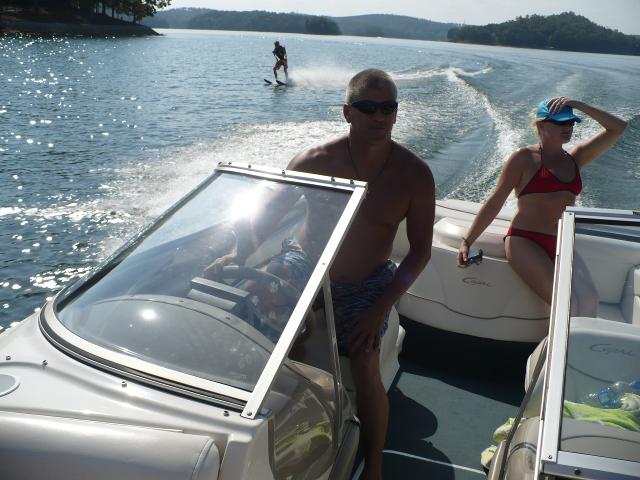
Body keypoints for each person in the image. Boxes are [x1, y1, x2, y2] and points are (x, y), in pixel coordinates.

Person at [288, 68, 435, 480]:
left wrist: (380, 308)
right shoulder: (313, 161)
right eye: (368, 108)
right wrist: (235, 253)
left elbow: (420, 253)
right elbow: (266, 216)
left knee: (366, 359)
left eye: (388, 108)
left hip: (367, 281)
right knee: (259, 321)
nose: (379, 116)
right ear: (347, 113)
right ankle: (288, 423)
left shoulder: (414, 175)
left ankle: (374, 462)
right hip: (304, 263)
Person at [457, 97, 627, 316]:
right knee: (567, 306)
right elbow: (495, 202)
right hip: (525, 241)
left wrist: (580, 105)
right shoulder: (524, 158)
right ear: (541, 125)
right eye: (561, 123)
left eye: (571, 122)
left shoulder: (577, 157)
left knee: (589, 300)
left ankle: (570, 349)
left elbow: (618, 128)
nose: (568, 128)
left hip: (562, 242)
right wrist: (467, 241)